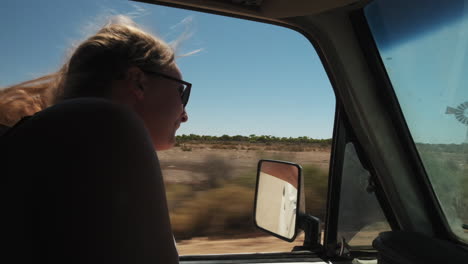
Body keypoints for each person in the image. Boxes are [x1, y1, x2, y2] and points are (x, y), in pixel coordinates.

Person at [1, 16, 188, 264]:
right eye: (181, 92)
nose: (184, 115)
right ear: (138, 82)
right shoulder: (108, 124)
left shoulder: (43, 144)